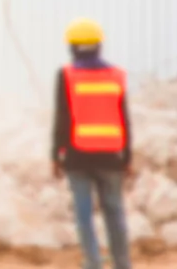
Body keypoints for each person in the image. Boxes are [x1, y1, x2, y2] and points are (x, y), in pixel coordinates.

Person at [53, 17, 134, 269]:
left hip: (78, 156)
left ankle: (93, 263)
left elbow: (62, 118)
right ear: (100, 46)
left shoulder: (67, 75)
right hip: (111, 156)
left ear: (72, 47)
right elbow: (124, 118)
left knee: (83, 214)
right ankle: (122, 264)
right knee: (114, 213)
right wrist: (128, 157)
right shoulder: (116, 76)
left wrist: (56, 154)